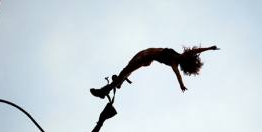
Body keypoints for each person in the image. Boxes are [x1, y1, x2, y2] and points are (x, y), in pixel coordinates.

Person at [90, 45, 219, 99]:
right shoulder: (180, 56)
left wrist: (181, 85)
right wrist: (209, 48)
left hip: (145, 56)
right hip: (146, 57)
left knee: (127, 69)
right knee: (127, 70)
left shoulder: (174, 63)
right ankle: (119, 82)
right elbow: (196, 51)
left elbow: (178, 74)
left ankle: (104, 91)